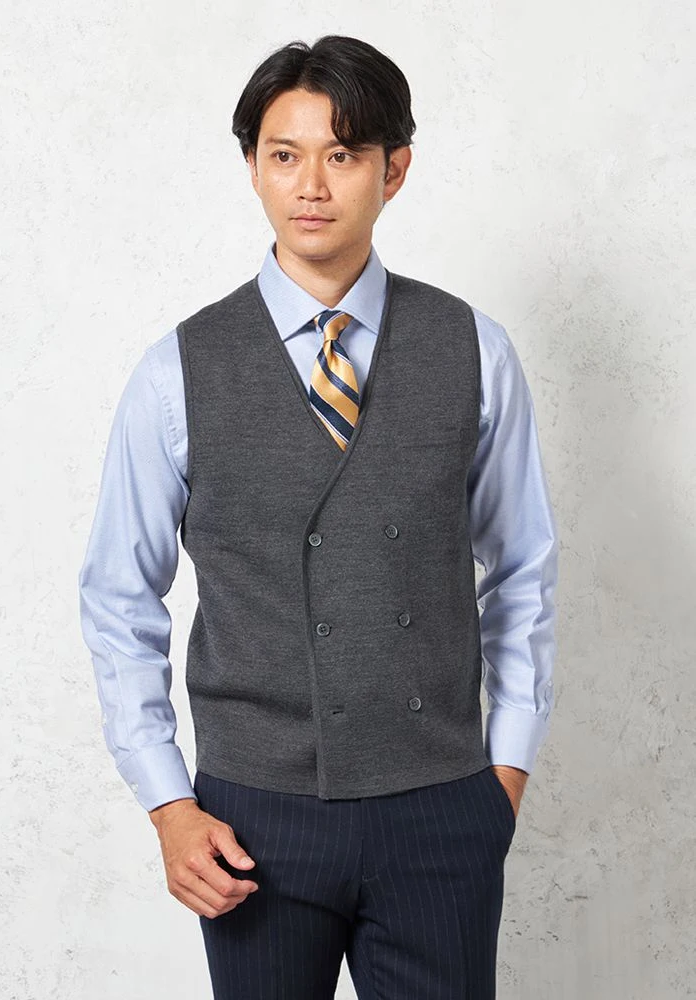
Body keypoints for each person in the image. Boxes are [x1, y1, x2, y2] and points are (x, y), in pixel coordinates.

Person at [78, 33, 559, 1000]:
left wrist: (504, 775)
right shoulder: (176, 373)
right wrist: (168, 802)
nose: (311, 185)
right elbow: (119, 598)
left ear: (395, 170)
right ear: (253, 169)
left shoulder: (475, 350)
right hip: (251, 819)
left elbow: (523, 571)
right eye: (285, 155)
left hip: (440, 807)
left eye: (342, 155)